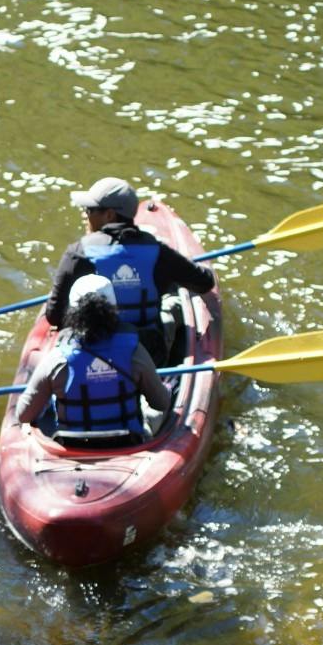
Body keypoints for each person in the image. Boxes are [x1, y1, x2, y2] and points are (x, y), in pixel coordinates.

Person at [44, 176, 217, 368]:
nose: (85, 215)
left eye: (89, 210)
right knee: (173, 303)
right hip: (146, 352)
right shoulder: (158, 251)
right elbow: (204, 282)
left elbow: (54, 315)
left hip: (92, 351)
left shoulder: (78, 253)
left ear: (109, 215)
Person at [15, 275, 174, 445]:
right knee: (170, 390)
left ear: (72, 312)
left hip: (71, 443)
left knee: (46, 412)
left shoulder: (57, 358)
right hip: (126, 441)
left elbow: (24, 414)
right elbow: (161, 403)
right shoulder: (134, 351)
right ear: (113, 309)